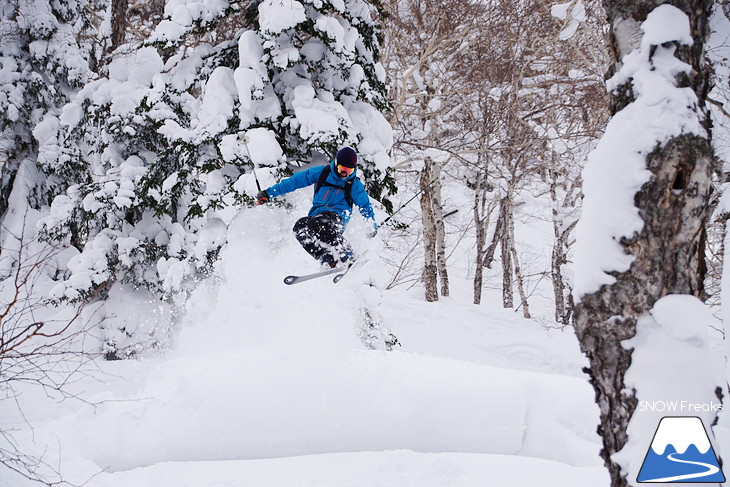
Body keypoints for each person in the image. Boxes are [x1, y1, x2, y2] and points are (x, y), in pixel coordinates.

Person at [256, 147, 377, 268]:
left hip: (338, 217)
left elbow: (365, 206)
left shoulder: (354, 185)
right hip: (317, 216)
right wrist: (268, 194)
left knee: (321, 223)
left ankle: (348, 254)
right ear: (336, 164)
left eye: (349, 171)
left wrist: (371, 226)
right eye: (342, 169)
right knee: (300, 227)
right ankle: (327, 259)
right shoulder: (322, 173)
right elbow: (294, 182)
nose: (344, 173)